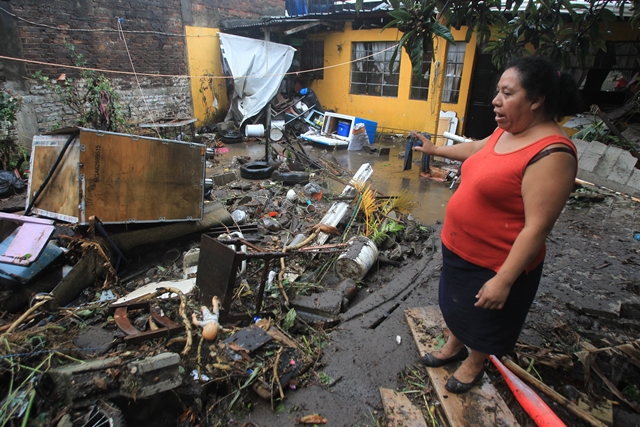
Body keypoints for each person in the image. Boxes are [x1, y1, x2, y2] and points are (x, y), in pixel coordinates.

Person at [411, 56, 582, 394]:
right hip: (460, 249)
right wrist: (437, 149)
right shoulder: (506, 131)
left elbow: (537, 227)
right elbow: (479, 148)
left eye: (507, 93)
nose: (495, 101)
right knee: (459, 307)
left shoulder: (553, 154)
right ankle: (453, 346)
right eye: (497, 92)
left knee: (486, 320)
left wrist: (504, 280)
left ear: (536, 100)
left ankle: (475, 362)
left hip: (496, 263)